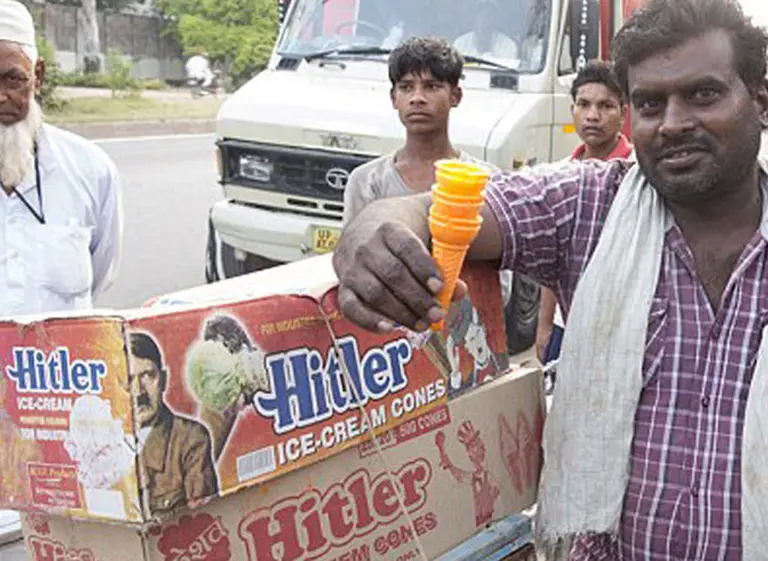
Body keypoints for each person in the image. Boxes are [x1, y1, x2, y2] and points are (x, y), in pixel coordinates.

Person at [331, 0, 768, 557]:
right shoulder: (591, 203)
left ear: (760, 101)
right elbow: (447, 207)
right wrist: (377, 224)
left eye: (703, 94)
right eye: (651, 104)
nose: (675, 123)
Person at [0, 0, 122, 317]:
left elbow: (100, 273)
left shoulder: (91, 169)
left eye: (13, 79)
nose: (0, 96)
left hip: (61, 363)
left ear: (37, 76)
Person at [536, 60, 633, 365]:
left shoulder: (638, 175)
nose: (593, 116)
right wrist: (544, 324)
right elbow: (552, 259)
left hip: (623, 328)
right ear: (573, 110)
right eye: (584, 104)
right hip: (567, 326)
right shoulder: (560, 175)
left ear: (623, 114)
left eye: (606, 106)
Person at [344, 37, 490, 225]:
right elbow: (354, 250)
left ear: (455, 96)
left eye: (431, 87)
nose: (417, 98)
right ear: (394, 98)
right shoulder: (367, 182)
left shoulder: (484, 181)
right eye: (406, 87)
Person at [128, 332, 218, 512]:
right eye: (128, 380)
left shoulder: (190, 439)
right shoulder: (103, 441)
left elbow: (205, 518)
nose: (139, 392)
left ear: (164, 379)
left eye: (147, 375)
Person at [453, 0, 518, 60]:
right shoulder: (460, 45)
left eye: (489, 14)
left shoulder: (508, 46)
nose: (485, 20)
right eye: (481, 13)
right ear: (474, 18)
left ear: (496, 20)